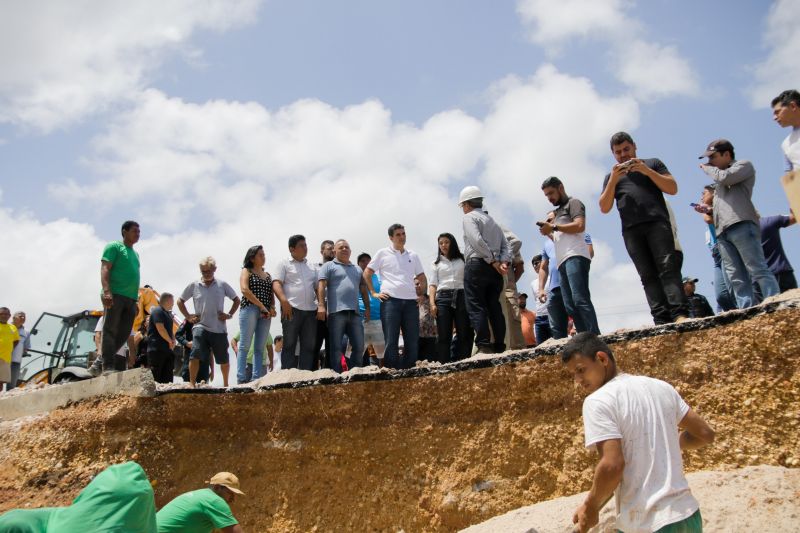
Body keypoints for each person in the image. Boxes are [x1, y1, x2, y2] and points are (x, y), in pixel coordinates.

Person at [561, 332, 715, 533]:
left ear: (602, 358)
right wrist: (671, 442)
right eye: (574, 373)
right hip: (688, 516)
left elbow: (612, 465)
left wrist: (591, 506)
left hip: (648, 524)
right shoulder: (661, 387)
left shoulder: (598, 401)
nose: (578, 380)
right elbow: (705, 434)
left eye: (581, 370)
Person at [600, 132, 689, 324]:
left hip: (657, 223)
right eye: (618, 152)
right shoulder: (611, 177)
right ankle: (660, 319)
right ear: (613, 154)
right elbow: (604, 207)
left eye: (626, 149)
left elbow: (672, 188)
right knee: (647, 276)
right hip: (631, 230)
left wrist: (646, 171)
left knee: (668, 268)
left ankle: (680, 314)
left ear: (634, 146)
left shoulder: (653, 163)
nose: (623, 155)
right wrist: (614, 180)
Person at [699, 138, 779, 308]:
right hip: (722, 231)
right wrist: (709, 210)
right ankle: (746, 308)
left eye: (713, 157)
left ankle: (775, 302)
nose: (709, 161)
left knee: (756, 268)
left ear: (726, 154)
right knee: (735, 276)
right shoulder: (719, 179)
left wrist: (709, 170)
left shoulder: (744, 165)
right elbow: (726, 204)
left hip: (741, 223)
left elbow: (727, 178)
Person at [539, 177, 600, 335]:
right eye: (546, 195)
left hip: (575, 255)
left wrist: (553, 226)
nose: (549, 198)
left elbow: (580, 226)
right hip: (562, 261)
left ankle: (595, 336)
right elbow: (560, 237)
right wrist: (548, 231)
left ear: (561, 187)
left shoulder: (574, 203)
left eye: (551, 193)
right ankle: (585, 337)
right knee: (570, 306)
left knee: (580, 299)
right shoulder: (557, 212)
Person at [365, 224, 427, 369]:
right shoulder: (382, 253)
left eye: (403, 233)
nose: (402, 237)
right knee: (391, 340)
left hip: (411, 303)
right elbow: (367, 273)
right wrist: (374, 293)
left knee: (412, 340)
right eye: (398, 234)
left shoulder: (413, 255)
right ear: (391, 238)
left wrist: (422, 293)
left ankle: (409, 371)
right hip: (390, 302)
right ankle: (392, 372)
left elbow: (422, 277)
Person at [457, 186, 511, 354]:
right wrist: (503, 262)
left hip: (477, 265)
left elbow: (476, 241)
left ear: (466, 204)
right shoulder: (492, 221)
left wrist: (493, 260)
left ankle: (484, 344)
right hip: (495, 270)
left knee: (476, 305)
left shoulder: (469, 218)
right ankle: (500, 345)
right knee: (494, 306)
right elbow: (506, 245)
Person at [178, 257, 240, 387]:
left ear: (214, 269)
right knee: (195, 354)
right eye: (203, 271)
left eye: (208, 271)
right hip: (200, 326)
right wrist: (188, 316)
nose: (206, 274)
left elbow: (236, 299)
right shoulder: (194, 285)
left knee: (223, 358)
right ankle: (192, 383)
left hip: (218, 328)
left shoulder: (222, 285)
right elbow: (180, 301)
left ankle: (225, 384)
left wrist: (229, 314)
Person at [317, 239, 369, 372]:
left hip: (355, 313)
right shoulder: (328, 266)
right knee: (335, 347)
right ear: (334, 251)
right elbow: (321, 285)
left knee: (359, 345)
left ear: (350, 251)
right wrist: (322, 306)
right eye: (341, 248)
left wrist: (367, 307)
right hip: (336, 313)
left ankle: (355, 373)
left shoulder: (357, 269)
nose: (344, 249)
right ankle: (337, 375)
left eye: (347, 247)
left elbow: (363, 288)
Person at [97, 220, 141, 374]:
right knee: (110, 330)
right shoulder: (114, 247)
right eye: (134, 231)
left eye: (139, 231)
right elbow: (105, 268)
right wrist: (107, 291)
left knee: (124, 332)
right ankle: (107, 366)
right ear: (124, 232)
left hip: (130, 299)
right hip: (115, 295)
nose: (138, 234)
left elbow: (134, 277)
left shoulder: (135, 254)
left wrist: (135, 300)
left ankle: (98, 361)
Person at [273, 235, 318, 370]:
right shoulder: (284, 263)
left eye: (305, 245)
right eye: (301, 245)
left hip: (311, 310)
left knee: (309, 345)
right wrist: (284, 301)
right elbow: (276, 283)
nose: (305, 248)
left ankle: (305, 376)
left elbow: (317, 287)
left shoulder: (312, 266)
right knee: (290, 344)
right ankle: (287, 376)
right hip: (291, 309)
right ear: (292, 249)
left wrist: (321, 305)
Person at [429, 233, 473, 363]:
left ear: (452, 243)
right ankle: (444, 365)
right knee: (443, 335)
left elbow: (469, 280)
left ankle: (464, 362)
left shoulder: (463, 259)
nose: (443, 245)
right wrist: (432, 303)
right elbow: (432, 284)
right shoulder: (435, 263)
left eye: (446, 242)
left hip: (461, 295)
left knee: (464, 332)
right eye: (441, 243)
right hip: (442, 298)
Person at [693, 184, 736, 312]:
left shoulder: (718, 208)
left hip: (726, 248)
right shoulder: (708, 209)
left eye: (704, 193)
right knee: (722, 296)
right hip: (716, 254)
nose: (701, 196)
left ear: (714, 193)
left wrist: (703, 210)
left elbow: (708, 219)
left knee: (733, 288)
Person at [236, 246, 275, 384]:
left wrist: (272, 307)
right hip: (250, 308)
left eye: (264, 254)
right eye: (260, 255)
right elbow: (244, 289)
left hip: (265, 312)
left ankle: (256, 378)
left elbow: (271, 294)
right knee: (245, 344)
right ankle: (241, 377)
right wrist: (261, 306)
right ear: (252, 258)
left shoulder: (268, 275)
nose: (263, 257)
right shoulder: (246, 271)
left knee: (260, 347)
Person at [156, 472, 244, 533]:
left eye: (234, 495)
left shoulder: (200, 495)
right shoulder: (215, 501)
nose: (232, 499)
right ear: (217, 487)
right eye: (230, 493)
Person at [537, 237, 569, 339]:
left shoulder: (571, 235)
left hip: (570, 285)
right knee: (556, 328)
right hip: (553, 289)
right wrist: (541, 289)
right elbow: (543, 267)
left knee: (579, 317)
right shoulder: (546, 244)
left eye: (550, 220)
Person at [500, 226, 526, 350]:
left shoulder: (506, 242)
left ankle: (517, 352)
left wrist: (510, 284)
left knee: (512, 320)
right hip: (497, 288)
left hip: (506, 288)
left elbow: (519, 267)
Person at [760, 211, 797, 293]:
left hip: (759, 282)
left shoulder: (738, 234)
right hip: (782, 273)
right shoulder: (768, 222)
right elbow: (795, 217)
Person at [358, 252, 384, 367]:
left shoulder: (380, 278)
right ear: (358, 264)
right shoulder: (355, 278)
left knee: (381, 354)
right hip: (360, 320)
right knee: (356, 352)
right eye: (362, 261)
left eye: (368, 260)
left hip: (378, 319)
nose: (366, 263)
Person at [313, 240, 335, 370]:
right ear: (322, 251)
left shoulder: (339, 267)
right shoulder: (314, 267)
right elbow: (313, 287)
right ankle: (311, 373)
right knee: (315, 342)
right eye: (329, 248)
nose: (332, 251)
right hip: (319, 308)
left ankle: (329, 372)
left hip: (335, 309)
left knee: (332, 344)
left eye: (333, 249)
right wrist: (320, 305)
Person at [147, 293, 176, 384]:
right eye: (172, 301)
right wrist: (170, 341)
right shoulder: (157, 311)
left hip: (167, 350)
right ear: (168, 300)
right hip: (157, 349)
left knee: (167, 378)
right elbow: (160, 328)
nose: (173, 303)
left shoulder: (167, 314)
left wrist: (173, 340)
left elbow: (169, 330)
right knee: (156, 376)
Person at [772, 89, 800, 171]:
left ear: (793, 106)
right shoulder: (786, 144)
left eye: (777, 112)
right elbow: (790, 177)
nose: (774, 118)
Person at [530, 255, 551, 344]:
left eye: (536, 263)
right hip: (539, 318)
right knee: (540, 348)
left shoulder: (552, 278)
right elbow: (536, 300)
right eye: (533, 265)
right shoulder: (533, 283)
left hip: (551, 316)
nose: (535, 266)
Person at [7, 311, 30, 390]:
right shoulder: (6, 327)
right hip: (3, 359)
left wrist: (24, 352)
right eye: (20, 316)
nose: (23, 318)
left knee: (11, 387)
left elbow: (26, 347)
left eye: (24, 317)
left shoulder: (26, 332)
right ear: (13, 317)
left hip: (16, 362)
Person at [416, 279, 437, 361]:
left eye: (420, 283)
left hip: (431, 337)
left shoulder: (432, 300)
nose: (418, 286)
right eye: (416, 284)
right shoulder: (409, 301)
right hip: (416, 338)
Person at [0, 307, 19, 390]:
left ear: (9, 316)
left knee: (1, 381)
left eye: (6, 314)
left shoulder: (13, 327)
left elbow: (16, 340)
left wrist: (9, 349)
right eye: (2, 314)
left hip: (6, 358)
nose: (4, 316)